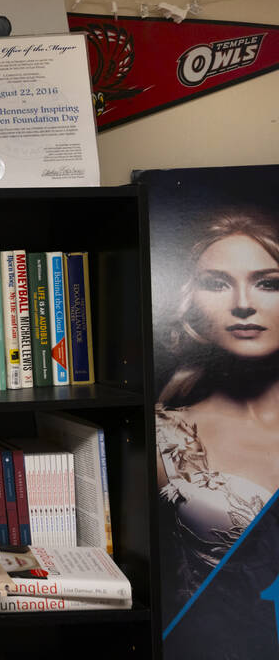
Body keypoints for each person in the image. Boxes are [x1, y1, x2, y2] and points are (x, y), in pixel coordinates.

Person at [155, 211, 279, 630]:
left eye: (268, 282)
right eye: (217, 283)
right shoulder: (161, 438)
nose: (243, 303)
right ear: (191, 302)